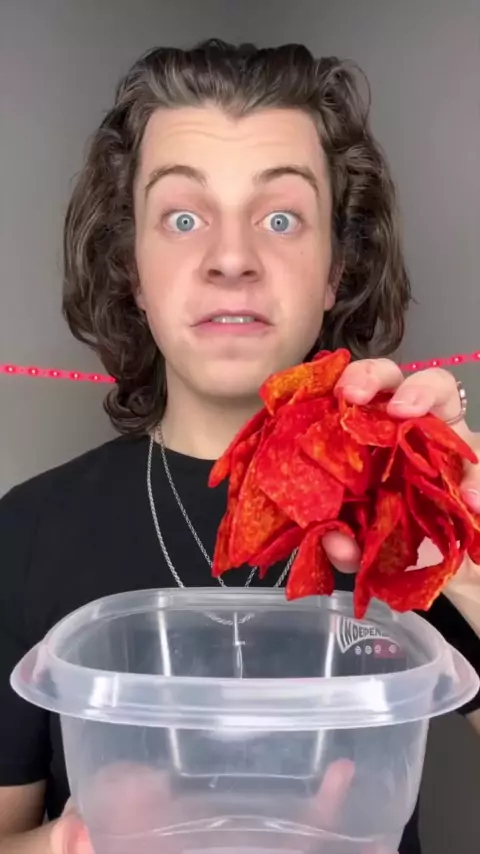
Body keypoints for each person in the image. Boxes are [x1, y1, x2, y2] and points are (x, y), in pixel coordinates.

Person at [0, 39, 478, 854]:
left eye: (281, 218)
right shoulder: (26, 533)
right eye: (183, 218)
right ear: (132, 267)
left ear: (335, 269)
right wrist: (71, 844)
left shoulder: (411, 515)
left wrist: (467, 547)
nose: (231, 259)